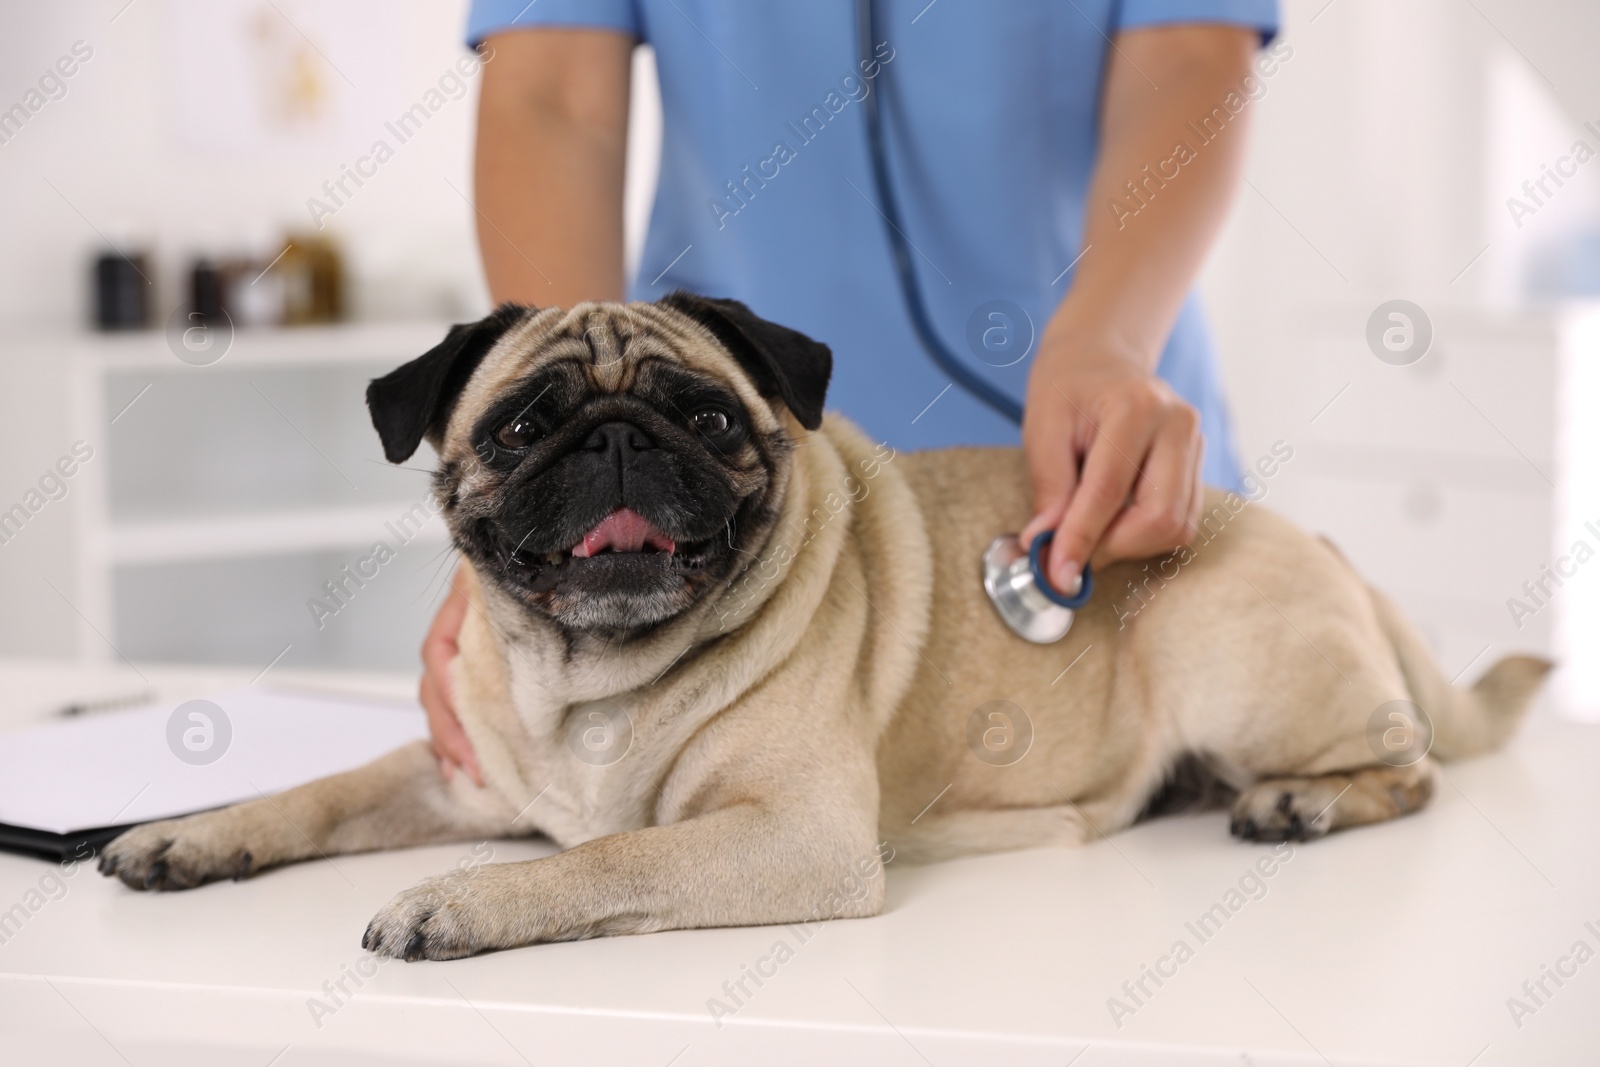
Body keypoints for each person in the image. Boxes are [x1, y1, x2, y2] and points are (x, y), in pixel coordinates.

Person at [424, 0, 1281, 783]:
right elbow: (552, 95)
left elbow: (1192, 51)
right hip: (707, 520)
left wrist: (1109, 340)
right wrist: (561, 490)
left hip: (1096, 470)